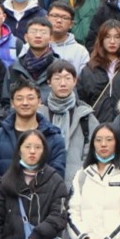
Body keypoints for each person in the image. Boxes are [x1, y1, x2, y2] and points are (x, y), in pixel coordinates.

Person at [0, 81, 67, 201]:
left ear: (39, 102)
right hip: (4, 205)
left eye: (30, 98)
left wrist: (36, 202)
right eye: (19, 98)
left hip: (41, 205)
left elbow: (56, 175)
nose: (25, 103)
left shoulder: (54, 138)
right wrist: (0, 201)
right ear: (12, 103)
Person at [41, 60, 98, 189]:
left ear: (75, 81)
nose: (63, 83)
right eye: (57, 79)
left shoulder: (85, 115)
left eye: (67, 78)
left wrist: (81, 175)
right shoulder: (39, 114)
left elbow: (93, 150)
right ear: (48, 82)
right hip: (42, 184)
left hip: (78, 185)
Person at [77, 20, 120, 123]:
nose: (112, 41)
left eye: (117, 37)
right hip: (96, 125)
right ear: (101, 39)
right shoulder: (89, 70)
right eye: (107, 37)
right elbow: (80, 101)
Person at [8, 17, 57, 100]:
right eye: (33, 32)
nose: (38, 36)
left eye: (43, 32)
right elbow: (6, 99)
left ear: (51, 38)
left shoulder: (59, 68)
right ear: (26, 37)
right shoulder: (15, 68)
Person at [46, 2, 89, 75]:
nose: (59, 20)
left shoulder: (80, 51)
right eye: (55, 16)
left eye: (64, 18)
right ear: (46, 19)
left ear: (71, 24)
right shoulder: (34, 45)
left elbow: (84, 78)